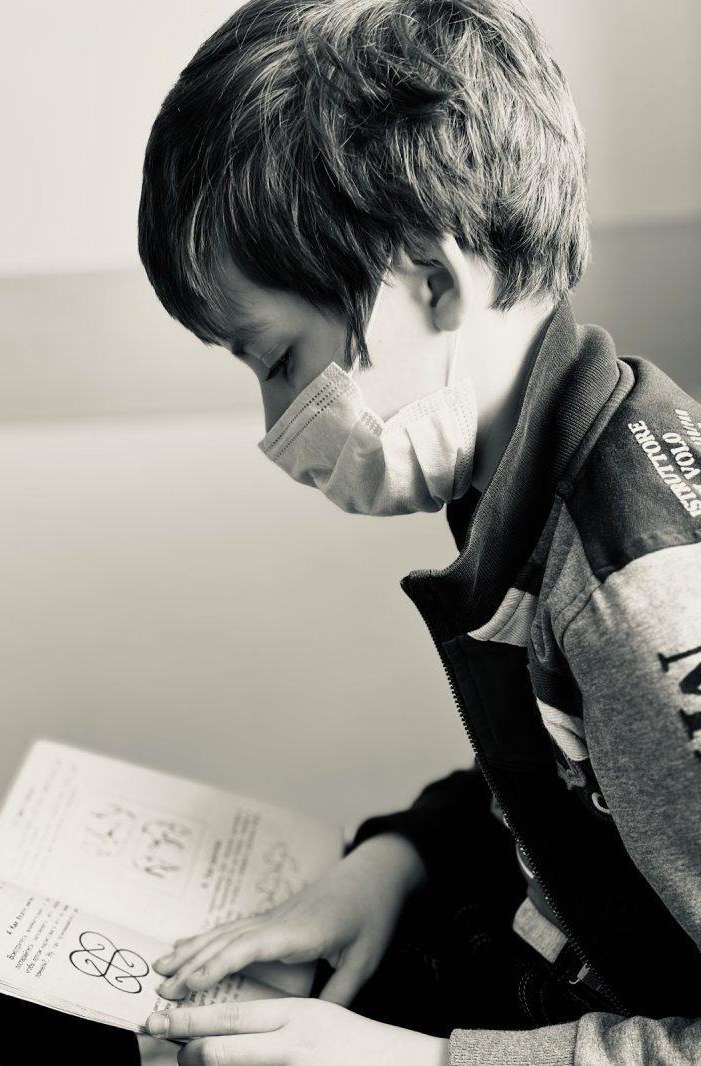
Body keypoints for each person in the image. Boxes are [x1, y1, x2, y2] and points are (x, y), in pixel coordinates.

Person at [136, 0, 701, 1063]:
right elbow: (573, 792)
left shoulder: (639, 597)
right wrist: (393, 862)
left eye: (277, 360)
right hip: (526, 951)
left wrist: (407, 1059)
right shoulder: (541, 468)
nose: (274, 424)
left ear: (434, 280)